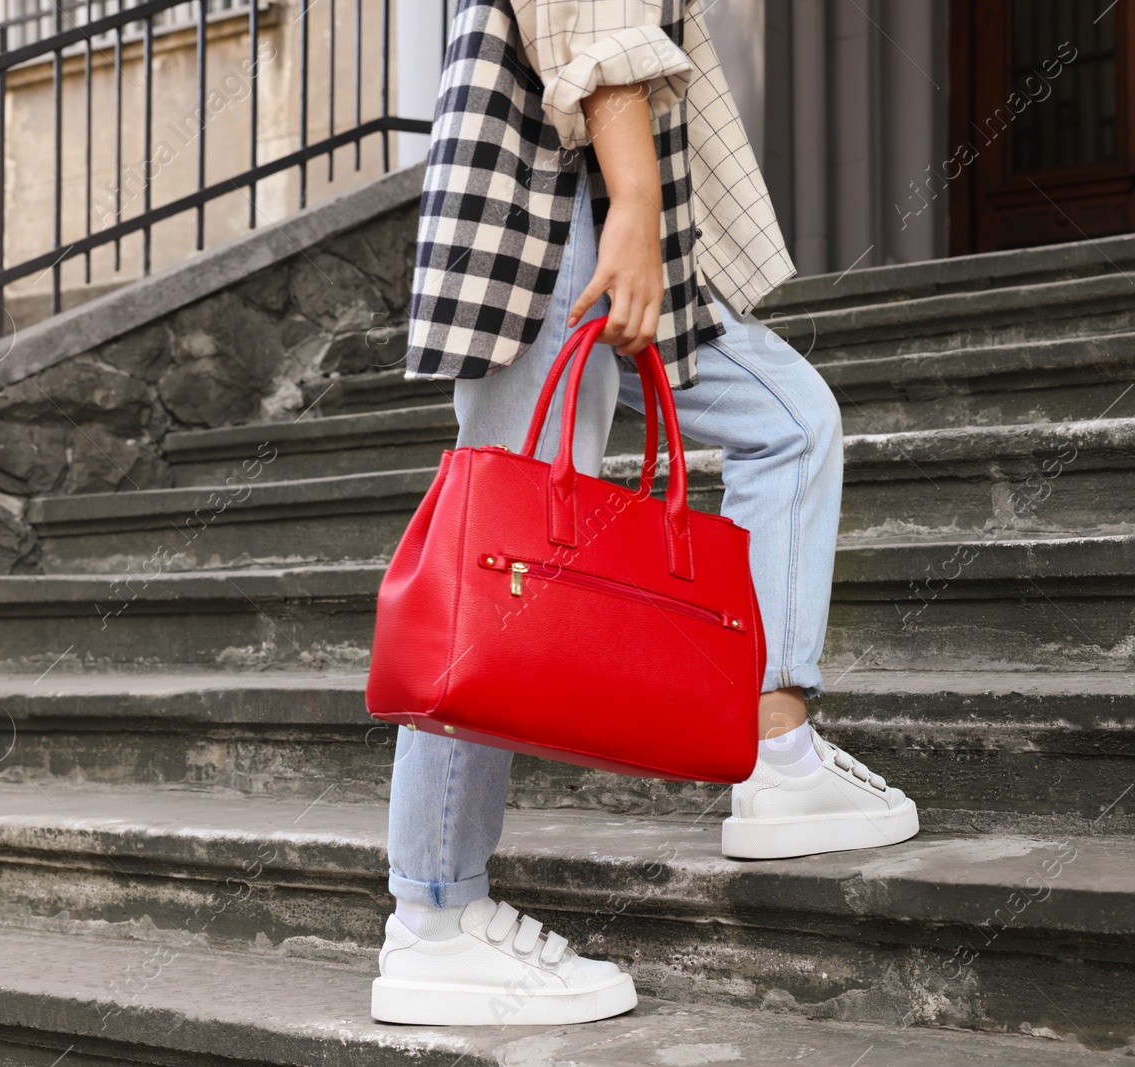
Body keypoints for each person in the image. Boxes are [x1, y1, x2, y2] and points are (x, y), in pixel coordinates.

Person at [370, 0, 919, 1027]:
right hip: (550, 200)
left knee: (788, 420)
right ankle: (434, 919)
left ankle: (774, 749)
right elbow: (590, 13)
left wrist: (634, 206)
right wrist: (630, 199)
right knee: (498, 556)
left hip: (596, 202)